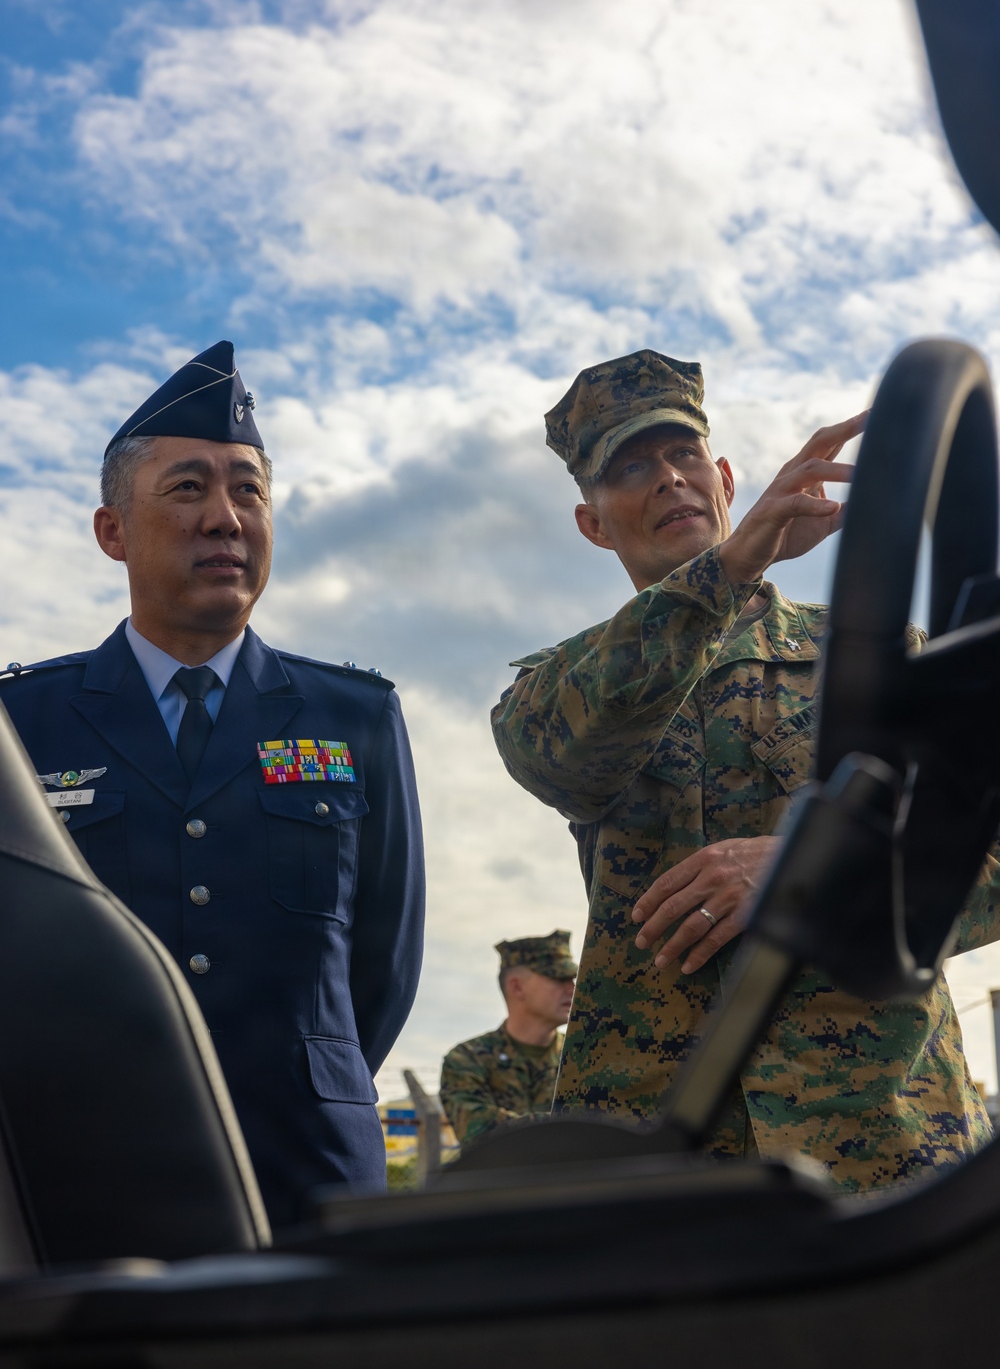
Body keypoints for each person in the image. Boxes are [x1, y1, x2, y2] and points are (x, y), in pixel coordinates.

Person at [491, 348, 997, 1191]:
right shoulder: (562, 687)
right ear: (593, 522)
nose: (668, 478)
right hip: (667, 1169)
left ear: (725, 476)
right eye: (631, 466)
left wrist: (821, 868)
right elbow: (561, 759)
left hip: (886, 1147)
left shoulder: (883, 658)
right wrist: (728, 571)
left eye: (685, 454)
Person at [0, 341, 424, 1229]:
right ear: (113, 530)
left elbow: (382, 964)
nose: (226, 517)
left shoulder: (356, 716)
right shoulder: (22, 726)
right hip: (87, 1169)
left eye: (248, 490)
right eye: (188, 487)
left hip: (309, 1173)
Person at [439, 930, 577, 1147]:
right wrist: (573, 1127)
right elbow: (481, 1134)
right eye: (559, 978)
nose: (572, 988)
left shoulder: (581, 1056)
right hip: (499, 1181)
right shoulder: (468, 1059)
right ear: (517, 986)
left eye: (572, 979)